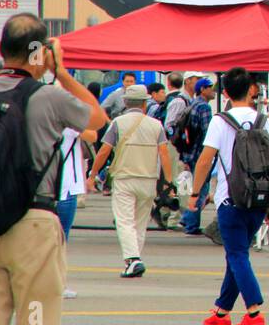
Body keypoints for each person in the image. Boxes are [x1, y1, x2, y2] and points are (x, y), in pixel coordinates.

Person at [0, 15, 107, 325]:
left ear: (0, 48)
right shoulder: (48, 97)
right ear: (41, 53)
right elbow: (97, 118)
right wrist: (62, 72)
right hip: (32, 226)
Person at [188, 67, 269, 325]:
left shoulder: (219, 121)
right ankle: (222, 312)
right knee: (237, 255)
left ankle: (254, 310)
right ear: (252, 91)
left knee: (236, 255)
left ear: (224, 93)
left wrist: (194, 194)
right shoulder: (264, 120)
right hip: (259, 199)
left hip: (230, 199)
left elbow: (204, 160)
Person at [88, 83, 173, 278]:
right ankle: (135, 260)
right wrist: (168, 180)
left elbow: (104, 150)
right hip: (149, 179)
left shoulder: (118, 123)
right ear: (145, 103)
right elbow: (164, 154)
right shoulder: (156, 125)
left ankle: (133, 260)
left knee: (124, 220)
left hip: (125, 177)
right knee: (140, 222)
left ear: (125, 102)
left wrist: (93, 175)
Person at [55, 120, 92, 300]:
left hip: (43, 187)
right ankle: (58, 283)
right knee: (61, 239)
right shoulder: (70, 123)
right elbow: (92, 134)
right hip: (67, 185)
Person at [178, 77, 216, 235]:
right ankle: (191, 223)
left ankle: (187, 218)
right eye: (210, 87)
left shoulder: (192, 105)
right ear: (202, 90)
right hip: (201, 153)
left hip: (190, 152)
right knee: (200, 189)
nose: (213, 91)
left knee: (194, 187)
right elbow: (208, 133)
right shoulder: (204, 108)